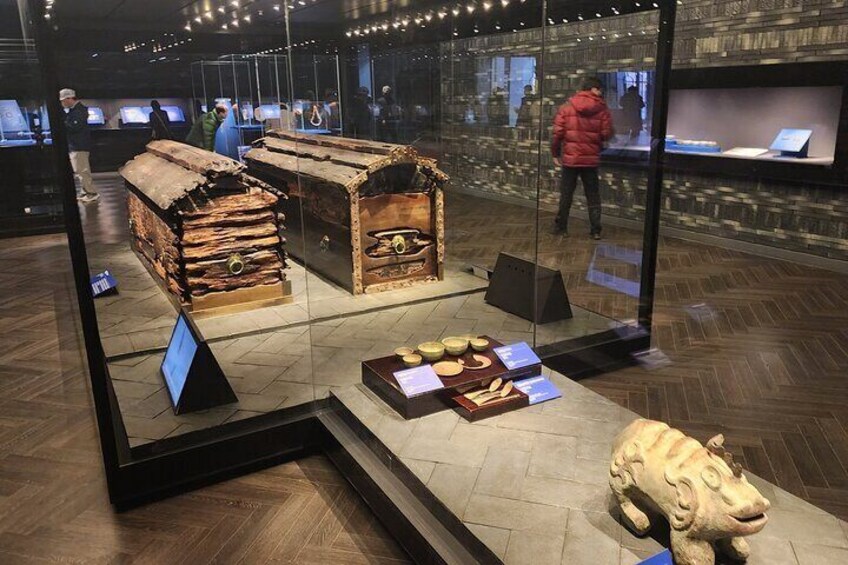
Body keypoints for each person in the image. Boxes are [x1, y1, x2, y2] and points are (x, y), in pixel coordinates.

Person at [550, 77, 613, 240]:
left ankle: (561, 227)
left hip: (571, 159)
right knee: (592, 195)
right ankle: (595, 230)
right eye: (599, 89)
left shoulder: (567, 107)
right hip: (590, 159)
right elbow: (606, 134)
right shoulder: (602, 109)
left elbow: (557, 134)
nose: (601, 92)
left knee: (566, 194)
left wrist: (555, 153)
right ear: (593, 89)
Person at [59, 88, 99, 203]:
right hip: (76, 145)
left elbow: (74, 127)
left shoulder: (79, 111)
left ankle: (91, 193)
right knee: (79, 170)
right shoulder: (75, 111)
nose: (62, 103)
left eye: (63, 101)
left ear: (69, 99)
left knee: (82, 170)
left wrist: (63, 121)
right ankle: (85, 191)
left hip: (79, 145)